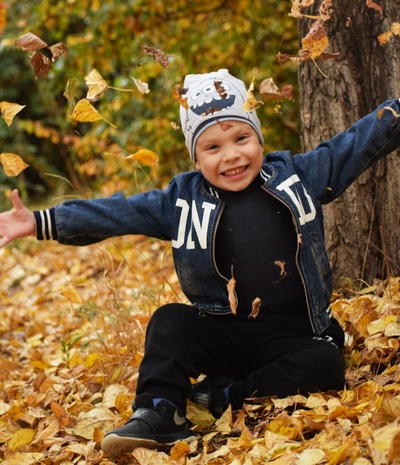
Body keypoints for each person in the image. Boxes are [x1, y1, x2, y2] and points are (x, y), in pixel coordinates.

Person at [1, 69, 400, 461]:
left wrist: (395, 112)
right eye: (212, 148)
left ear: (259, 138)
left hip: (296, 336)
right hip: (224, 332)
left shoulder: (296, 176)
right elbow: (117, 212)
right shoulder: (182, 200)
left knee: (326, 364)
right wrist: (40, 222)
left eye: (242, 138)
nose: (231, 156)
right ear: (195, 156)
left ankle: (223, 395)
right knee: (169, 322)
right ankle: (158, 411)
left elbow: (353, 145)